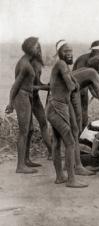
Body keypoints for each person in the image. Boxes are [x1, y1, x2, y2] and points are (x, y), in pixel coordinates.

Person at [46, 40, 90, 188]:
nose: (70, 54)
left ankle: (60, 177)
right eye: (66, 51)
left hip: (56, 107)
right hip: (57, 108)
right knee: (70, 142)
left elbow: (69, 86)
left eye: (71, 51)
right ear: (59, 53)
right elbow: (72, 86)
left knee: (58, 142)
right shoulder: (61, 65)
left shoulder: (63, 67)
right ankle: (71, 180)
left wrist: (73, 83)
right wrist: (75, 83)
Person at [5, 37, 45, 173]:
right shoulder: (24, 64)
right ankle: (20, 166)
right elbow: (15, 85)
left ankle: (26, 160)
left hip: (27, 96)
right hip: (21, 97)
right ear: (30, 48)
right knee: (24, 131)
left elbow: (33, 84)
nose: (38, 49)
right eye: (36, 47)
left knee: (30, 130)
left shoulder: (28, 62)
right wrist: (10, 103)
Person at [73, 40, 99, 129]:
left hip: (86, 87)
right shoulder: (82, 60)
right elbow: (80, 80)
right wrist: (94, 90)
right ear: (93, 52)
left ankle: (82, 132)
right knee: (77, 113)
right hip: (75, 88)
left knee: (84, 112)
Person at [31, 59, 53, 160]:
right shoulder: (27, 68)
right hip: (25, 99)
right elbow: (29, 87)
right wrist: (44, 87)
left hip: (35, 98)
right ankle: (24, 160)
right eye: (38, 70)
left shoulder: (37, 65)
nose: (39, 71)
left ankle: (51, 152)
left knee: (43, 123)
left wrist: (47, 86)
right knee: (27, 129)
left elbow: (38, 83)